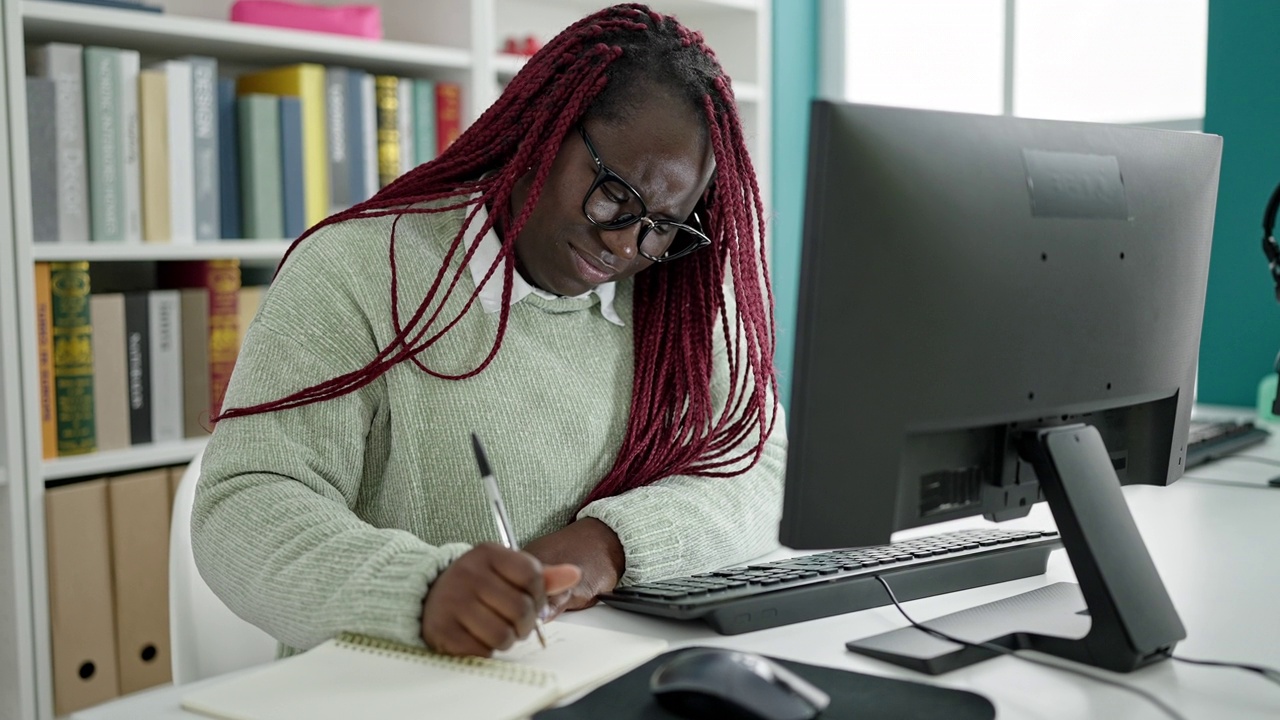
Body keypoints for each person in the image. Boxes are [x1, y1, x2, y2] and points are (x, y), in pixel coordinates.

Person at [192, 2, 785, 659]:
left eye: (663, 224)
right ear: (544, 128)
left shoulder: (680, 297)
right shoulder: (360, 270)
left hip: (601, 677)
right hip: (390, 691)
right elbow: (242, 506)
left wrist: (611, 545)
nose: (624, 245)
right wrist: (421, 592)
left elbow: (760, 467)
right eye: (615, 192)